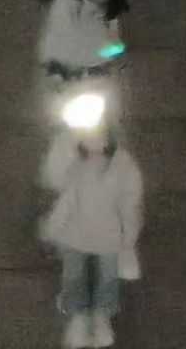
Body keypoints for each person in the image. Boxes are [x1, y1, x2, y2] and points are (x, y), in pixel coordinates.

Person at [40, 104, 144, 349]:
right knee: (74, 277)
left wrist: (129, 233)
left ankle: (101, 319)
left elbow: (130, 201)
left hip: (107, 236)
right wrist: (52, 229)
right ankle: (78, 318)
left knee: (107, 280)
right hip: (77, 234)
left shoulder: (122, 164)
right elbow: (64, 198)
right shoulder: (76, 167)